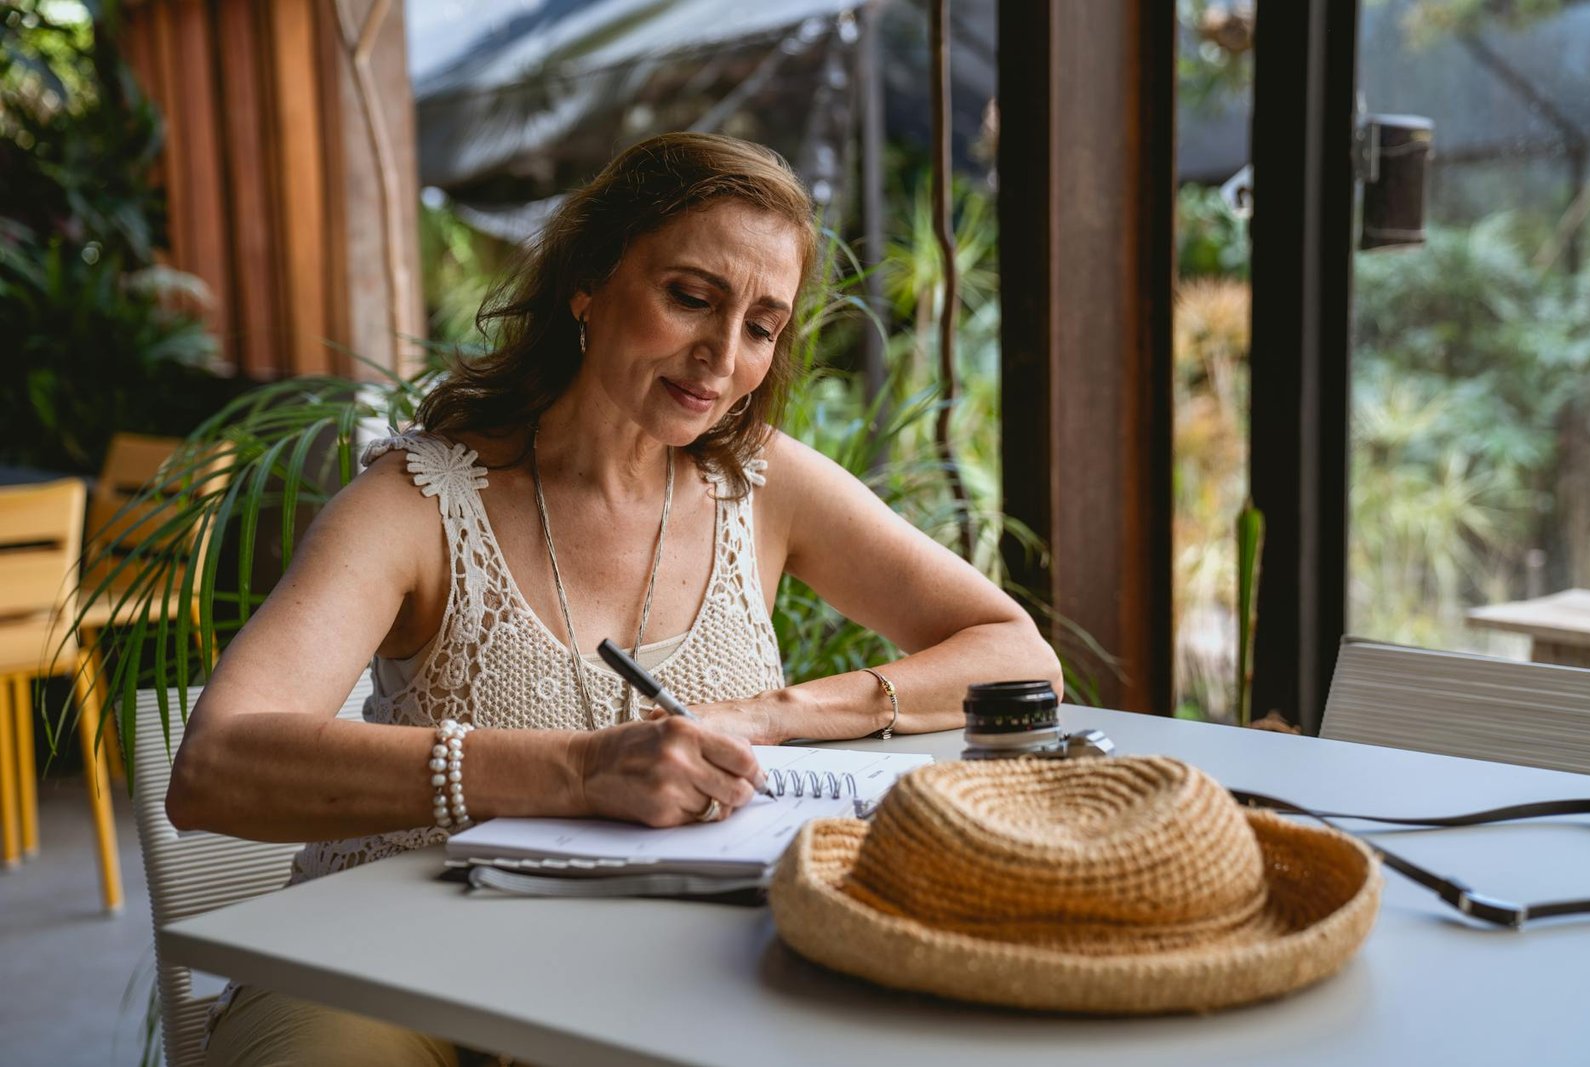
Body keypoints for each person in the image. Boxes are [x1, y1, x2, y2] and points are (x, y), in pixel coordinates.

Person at [168, 132, 1061, 1066]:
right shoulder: (420, 501)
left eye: (761, 325)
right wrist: (579, 770)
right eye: (690, 297)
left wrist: (779, 712)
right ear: (587, 282)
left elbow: (1015, 651)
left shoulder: (765, 485)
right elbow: (215, 766)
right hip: (381, 964)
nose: (720, 357)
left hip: (656, 968)